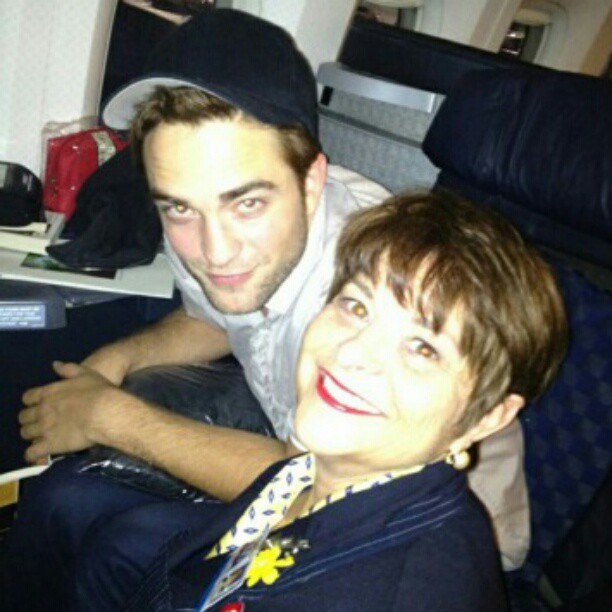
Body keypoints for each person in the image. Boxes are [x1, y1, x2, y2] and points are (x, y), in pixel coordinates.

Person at [1, 9, 529, 611]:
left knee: (119, 540)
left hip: (382, 518)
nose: (214, 250)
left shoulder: (358, 294)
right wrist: (113, 363)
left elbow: (316, 474)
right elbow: (213, 314)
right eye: (179, 208)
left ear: (311, 183)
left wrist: (110, 416)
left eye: (246, 203)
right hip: (300, 448)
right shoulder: (220, 232)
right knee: (65, 504)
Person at [124, 191, 568, 611]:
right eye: (356, 307)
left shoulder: (391, 593)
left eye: (422, 348)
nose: (352, 352)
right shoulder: (319, 473)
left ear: (486, 418)